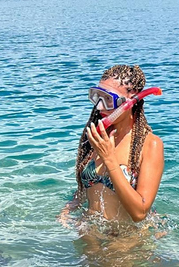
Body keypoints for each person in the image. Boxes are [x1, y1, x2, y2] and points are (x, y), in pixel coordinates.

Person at [65, 64, 164, 223]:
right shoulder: (97, 134)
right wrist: (69, 208)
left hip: (126, 241)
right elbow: (85, 189)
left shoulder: (150, 145)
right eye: (97, 96)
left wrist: (109, 158)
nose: (99, 106)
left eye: (108, 99)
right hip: (89, 235)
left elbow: (139, 214)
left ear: (131, 101)